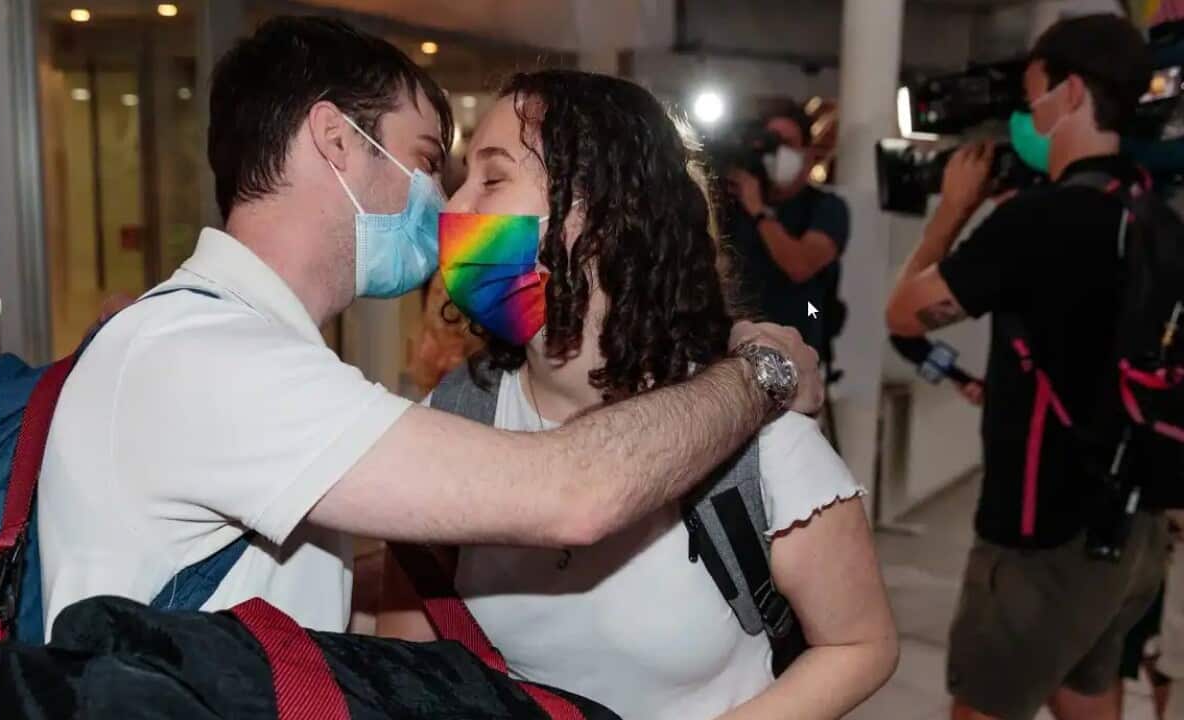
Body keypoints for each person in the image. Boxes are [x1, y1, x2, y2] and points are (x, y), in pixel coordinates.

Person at [36, 17, 824, 639]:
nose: (444, 207)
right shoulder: (216, 363)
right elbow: (574, 493)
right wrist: (761, 373)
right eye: (425, 161)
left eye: (482, 178)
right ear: (337, 141)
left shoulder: (224, 348)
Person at [377, 70, 897, 720]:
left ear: (598, 214)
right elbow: (408, 653)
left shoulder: (761, 443)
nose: (453, 209)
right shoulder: (457, 414)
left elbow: (860, 642)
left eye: (492, 178)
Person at [887, 14, 1166, 720]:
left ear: (1070, 93)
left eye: (1033, 94)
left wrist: (951, 212)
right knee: (1090, 698)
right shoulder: (1156, 217)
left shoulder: (1039, 221)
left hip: (1038, 538)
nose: (1025, 113)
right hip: (1130, 531)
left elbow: (904, 315)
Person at [724, 103, 849, 355]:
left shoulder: (827, 207)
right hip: (736, 345)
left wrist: (758, 211)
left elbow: (800, 266)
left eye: (787, 143)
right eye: (771, 143)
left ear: (808, 154)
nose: (777, 152)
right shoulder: (735, 204)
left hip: (796, 346)